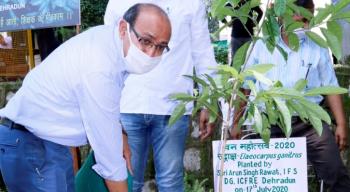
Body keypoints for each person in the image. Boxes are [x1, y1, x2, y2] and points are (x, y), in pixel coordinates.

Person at [0, 3, 171, 192]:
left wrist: (121, 135)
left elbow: (109, 110)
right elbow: (110, 161)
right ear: (124, 28)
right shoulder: (100, 64)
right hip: (30, 144)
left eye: (161, 47)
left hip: (49, 142)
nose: (152, 53)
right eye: (146, 41)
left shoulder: (112, 47)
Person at [231, 0, 350, 191]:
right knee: (263, 180)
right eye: (299, 19)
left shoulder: (317, 47)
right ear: (282, 17)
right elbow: (245, 87)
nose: (303, 26)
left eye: (307, 20)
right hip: (267, 124)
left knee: (337, 174)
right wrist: (236, 122)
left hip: (309, 125)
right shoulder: (261, 46)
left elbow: (330, 87)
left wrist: (342, 124)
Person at [104, 0, 217, 191]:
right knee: (127, 180)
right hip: (127, 104)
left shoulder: (192, 3)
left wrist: (209, 101)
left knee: (171, 182)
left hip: (173, 107)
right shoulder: (118, 2)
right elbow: (108, 50)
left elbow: (202, 52)